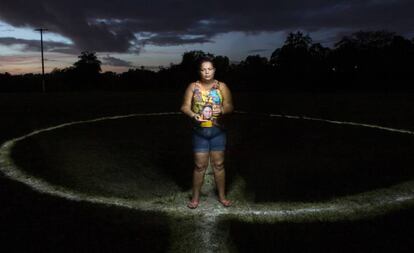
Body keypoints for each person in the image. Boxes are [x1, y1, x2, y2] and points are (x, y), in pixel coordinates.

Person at [180, 57, 234, 209]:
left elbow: (230, 106)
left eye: (209, 69)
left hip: (218, 131)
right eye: (203, 69)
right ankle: (195, 198)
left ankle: (222, 197)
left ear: (214, 70)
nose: (206, 72)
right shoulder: (193, 86)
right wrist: (193, 115)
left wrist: (222, 109)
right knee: (199, 166)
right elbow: (184, 106)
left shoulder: (221, 86)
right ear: (199, 71)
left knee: (219, 164)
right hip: (199, 132)